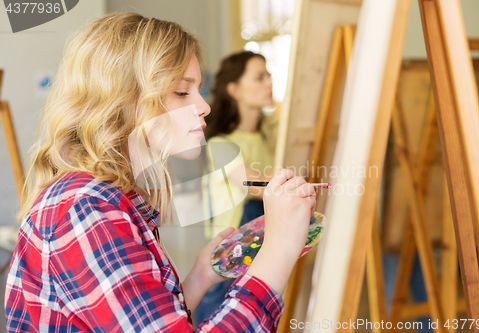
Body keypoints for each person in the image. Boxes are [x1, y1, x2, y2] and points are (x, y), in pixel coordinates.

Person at [4, 13, 316, 332]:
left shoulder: (113, 200)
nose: (204, 106)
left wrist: (199, 277)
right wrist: (280, 246)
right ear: (122, 100)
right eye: (182, 92)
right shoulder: (88, 209)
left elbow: (154, 321)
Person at [195, 51, 276, 324]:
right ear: (234, 90)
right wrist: (288, 184)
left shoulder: (269, 137)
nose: (269, 83)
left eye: (269, 76)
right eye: (259, 77)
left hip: (262, 240)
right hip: (230, 247)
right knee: (219, 317)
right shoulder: (220, 143)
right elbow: (251, 182)